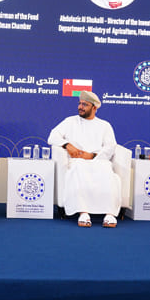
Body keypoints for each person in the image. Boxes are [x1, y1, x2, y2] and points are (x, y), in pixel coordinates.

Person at [47, 91, 121, 228]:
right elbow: (52, 136)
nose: (80, 107)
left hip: (98, 160)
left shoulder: (104, 125)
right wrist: (67, 145)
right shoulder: (70, 121)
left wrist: (92, 156)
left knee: (107, 170)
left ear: (94, 108)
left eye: (85, 105)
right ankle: (83, 213)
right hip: (77, 161)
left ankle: (110, 214)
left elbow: (110, 147)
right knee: (79, 167)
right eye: (80, 104)